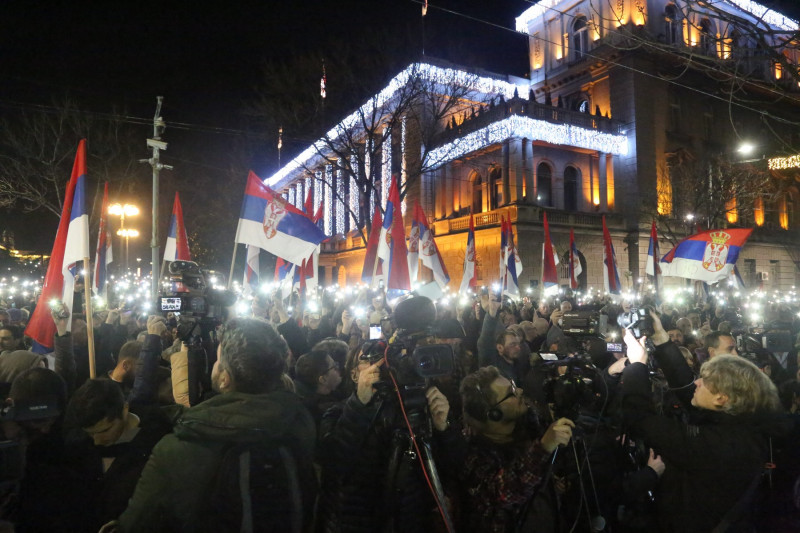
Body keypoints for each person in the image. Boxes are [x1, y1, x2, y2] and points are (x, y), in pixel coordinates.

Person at [109, 317, 317, 532]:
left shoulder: (177, 449)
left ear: (225, 379)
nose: (215, 365)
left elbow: (135, 523)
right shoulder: (300, 423)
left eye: (217, 359)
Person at [622, 314, 788, 533]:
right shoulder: (739, 424)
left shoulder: (718, 444)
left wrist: (636, 366)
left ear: (722, 398)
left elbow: (640, 420)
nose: (697, 382)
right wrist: (662, 342)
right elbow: (686, 388)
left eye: (705, 380)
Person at [456, 365, 574, 532]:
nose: (519, 390)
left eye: (513, 384)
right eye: (510, 392)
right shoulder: (475, 456)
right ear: (492, 413)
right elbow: (504, 492)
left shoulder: (528, 429)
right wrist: (542, 448)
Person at [66, 379, 176, 531]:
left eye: (105, 430)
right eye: (90, 434)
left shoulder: (157, 440)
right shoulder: (78, 446)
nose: (97, 441)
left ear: (124, 410)